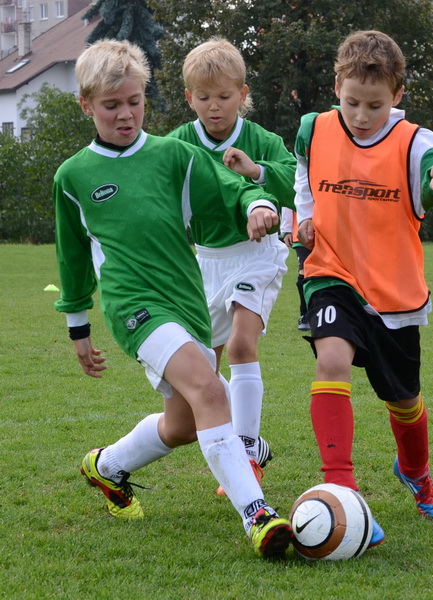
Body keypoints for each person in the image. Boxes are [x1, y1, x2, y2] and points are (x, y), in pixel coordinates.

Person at [53, 39, 292, 559]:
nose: (125, 114)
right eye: (111, 105)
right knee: (211, 391)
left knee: (182, 425)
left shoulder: (175, 156)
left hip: (187, 301)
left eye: (134, 102)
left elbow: (231, 188)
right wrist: (78, 326)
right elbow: (72, 258)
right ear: (86, 105)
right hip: (133, 305)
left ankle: (107, 466)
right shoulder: (73, 176)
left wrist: (256, 203)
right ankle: (258, 515)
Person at [294, 30, 433, 548]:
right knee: (330, 360)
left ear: (396, 95)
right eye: (352, 101)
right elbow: (303, 172)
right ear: (337, 87)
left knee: (404, 401)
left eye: (375, 105)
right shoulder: (313, 128)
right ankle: (342, 489)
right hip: (330, 274)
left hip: (394, 296)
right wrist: (302, 217)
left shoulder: (416, 143)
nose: (360, 114)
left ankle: (415, 471)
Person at [167, 38, 297, 493]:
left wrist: (257, 173)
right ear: (189, 98)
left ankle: (247, 453)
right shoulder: (177, 144)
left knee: (242, 345)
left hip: (256, 255)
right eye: (203, 97)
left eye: (224, 96)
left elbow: (294, 183)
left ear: (242, 95)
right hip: (205, 264)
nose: (214, 106)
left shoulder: (262, 139)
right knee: (205, 367)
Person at [280, 207, 311, 331]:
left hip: (327, 233)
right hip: (301, 234)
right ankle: (305, 316)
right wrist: (286, 230)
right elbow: (288, 203)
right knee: (304, 274)